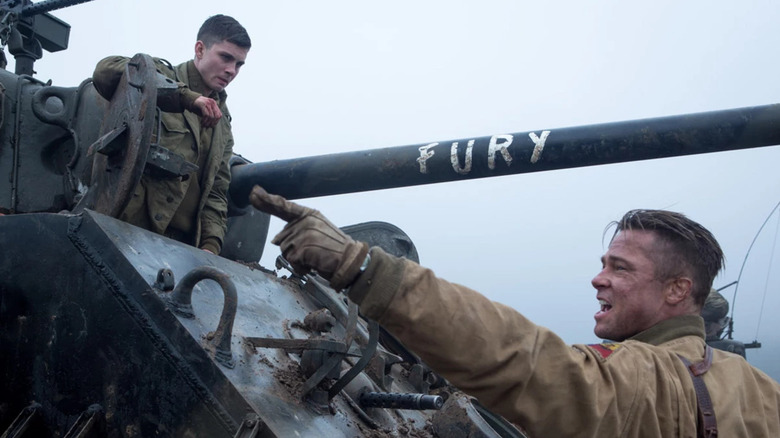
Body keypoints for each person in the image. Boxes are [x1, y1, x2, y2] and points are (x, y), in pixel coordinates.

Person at [248, 186, 780, 437]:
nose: (599, 278)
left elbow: (525, 361)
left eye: (620, 268)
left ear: (677, 290)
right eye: (603, 263)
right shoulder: (760, 392)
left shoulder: (646, 379)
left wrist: (362, 268)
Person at [92, 15, 251, 254]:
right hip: (127, 230)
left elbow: (217, 191)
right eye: (225, 57)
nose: (231, 70)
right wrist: (187, 98)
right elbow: (104, 71)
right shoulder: (160, 76)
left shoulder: (222, 124)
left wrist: (211, 246)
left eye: (239, 64)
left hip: (182, 249)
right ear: (200, 49)